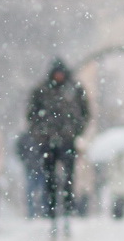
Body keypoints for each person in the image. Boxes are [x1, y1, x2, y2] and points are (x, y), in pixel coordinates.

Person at [26, 58, 89, 228]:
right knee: (50, 177)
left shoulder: (74, 89)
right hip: (48, 140)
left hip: (67, 140)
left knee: (69, 176)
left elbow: (85, 113)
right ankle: (52, 210)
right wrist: (40, 133)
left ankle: (68, 209)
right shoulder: (42, 90)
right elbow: (31, 115)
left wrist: (76, 130)